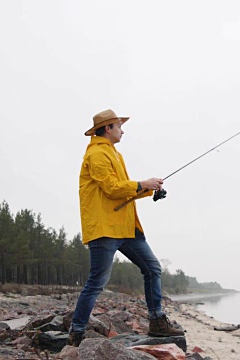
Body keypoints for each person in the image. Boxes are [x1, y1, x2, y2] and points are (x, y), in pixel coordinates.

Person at [68, 109, 184, 346]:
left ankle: (157, 321)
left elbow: (123, 191)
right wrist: (143, 183)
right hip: (105, 228)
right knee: (97, 282)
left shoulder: (114, 154)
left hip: (126, 226)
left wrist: (150, 190)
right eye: (119, 126)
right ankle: (76, 332)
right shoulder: (97, 154)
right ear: (108, 128)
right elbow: (111, 188)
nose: (123, 130)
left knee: (152, 268)